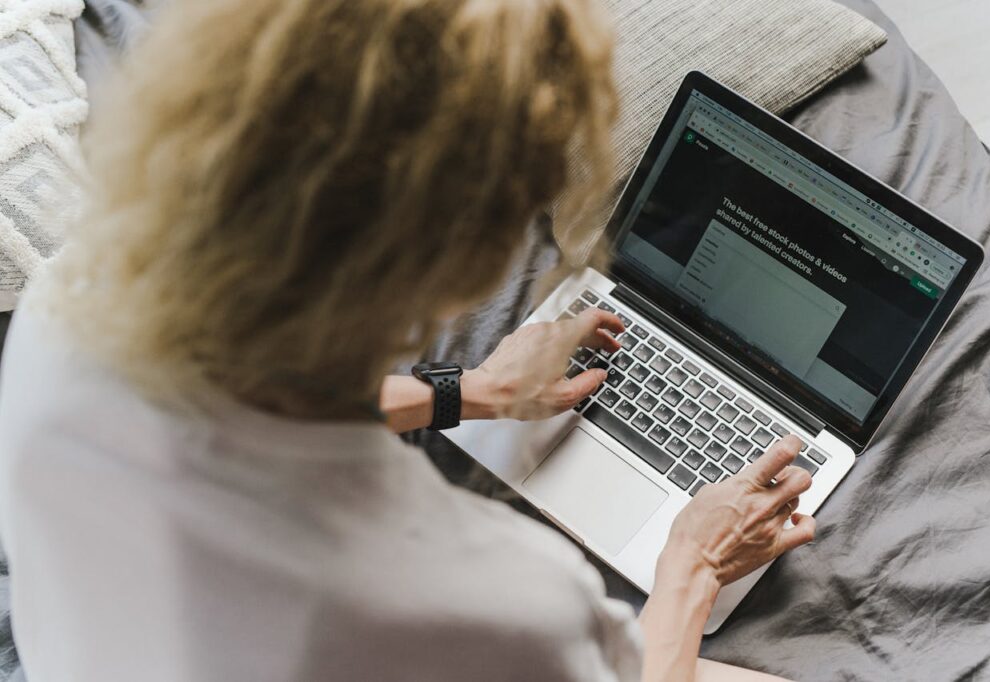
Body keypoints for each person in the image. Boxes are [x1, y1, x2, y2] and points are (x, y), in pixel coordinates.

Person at [0, 0, 815, 680]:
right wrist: (693, 568)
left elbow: (251, 402)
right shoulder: (486, 593)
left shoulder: (69, 306)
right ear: (467, 259)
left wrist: (475, 391)